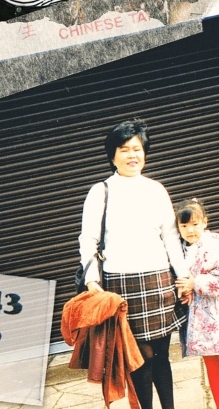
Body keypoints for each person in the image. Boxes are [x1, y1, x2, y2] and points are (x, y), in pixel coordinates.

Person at [79, 119, 187, 409]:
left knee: (162, 354)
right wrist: (93, 283)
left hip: (158, 281)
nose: (132, 155)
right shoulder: (100, 191)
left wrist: (183, 277)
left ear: (145, 152)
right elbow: (88, 240)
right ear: (112, 155)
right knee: (139, 358)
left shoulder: (156, 190)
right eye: (124, 149)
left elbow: (172, 239)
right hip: (121, 284)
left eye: (137, 149)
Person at [174, 199, 219, 409]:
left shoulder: (213, 247)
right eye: (184, 226)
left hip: (217, 314)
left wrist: (196, 283)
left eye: (194, 224)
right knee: (209, 363)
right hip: (199, 316)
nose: (189, 230)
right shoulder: (183, 250)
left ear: (204, 222)